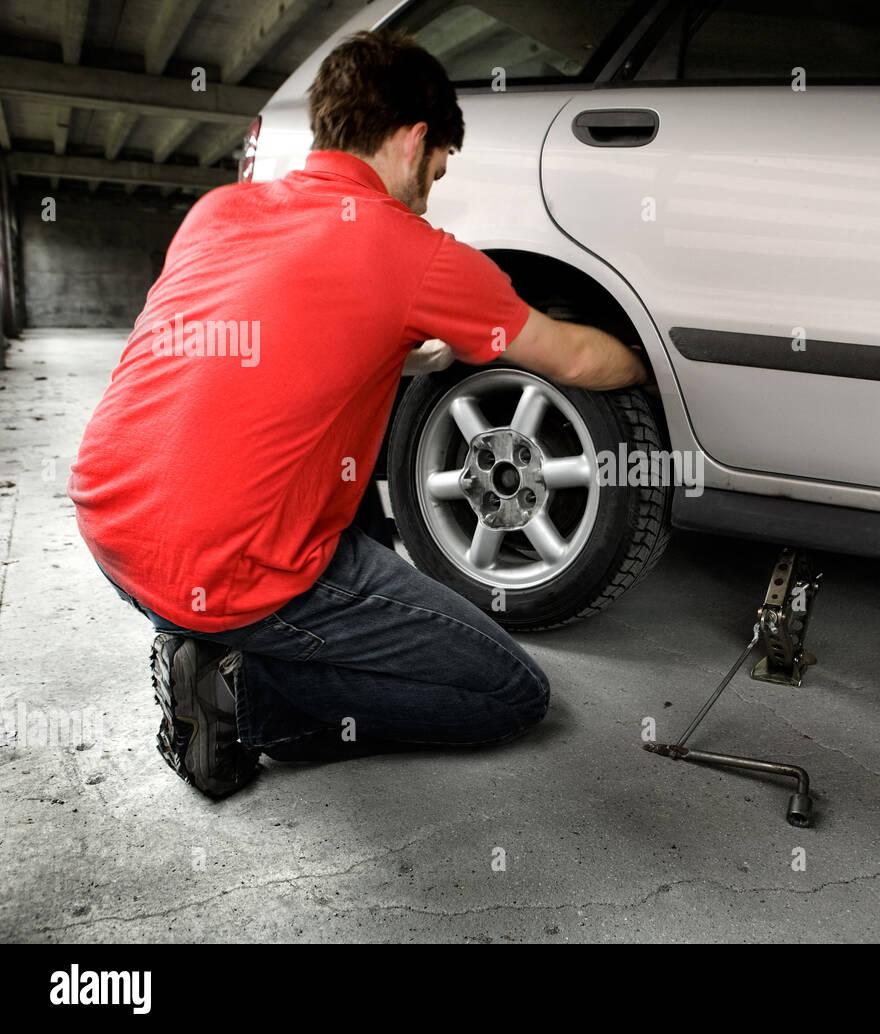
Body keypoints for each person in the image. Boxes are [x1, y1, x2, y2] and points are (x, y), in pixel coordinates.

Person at [68, 30, 648, 799]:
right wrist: (653, 365)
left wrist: (392, 353)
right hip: (231, 567)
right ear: (413, 141)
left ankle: (208, 640)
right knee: (510, 693)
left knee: (340, 471)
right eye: (437, 168)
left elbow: (249, 347)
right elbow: (572, 358)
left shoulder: (220, 209)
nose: (431, 190)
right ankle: (237, 697)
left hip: (112, 534)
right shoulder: (414, 250)